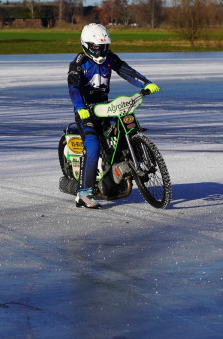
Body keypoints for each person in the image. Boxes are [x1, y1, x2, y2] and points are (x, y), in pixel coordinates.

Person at [67, 23, 160, 209]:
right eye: (96, 47)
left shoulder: (110, 58)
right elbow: (73, 88)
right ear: (86, 45)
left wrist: (146, 83)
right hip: (86, 112)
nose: (101, 51)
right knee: (93, 144)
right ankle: (83, 193)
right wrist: (80, 107)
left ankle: (130, 165)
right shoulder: (78, 63)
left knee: (125, 127)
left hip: (105, 108)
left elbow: (127, 71)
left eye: (104, 47)